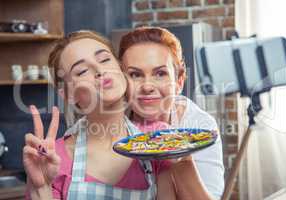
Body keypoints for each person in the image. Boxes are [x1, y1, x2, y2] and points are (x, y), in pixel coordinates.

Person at [23, 30, 185, 200]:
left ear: (120, 68)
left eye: (105, 59)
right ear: (69, 95)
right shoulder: (53, 158)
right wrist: (40, 189)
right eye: (82, 71)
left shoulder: (156, 139)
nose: (99, 70)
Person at [119, 26, 225, 199]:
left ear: (179, 82)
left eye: (160, 73)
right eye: (135, 75)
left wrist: (179, 154)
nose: (147, 86)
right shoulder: (111, 122)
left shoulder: (199, 126)